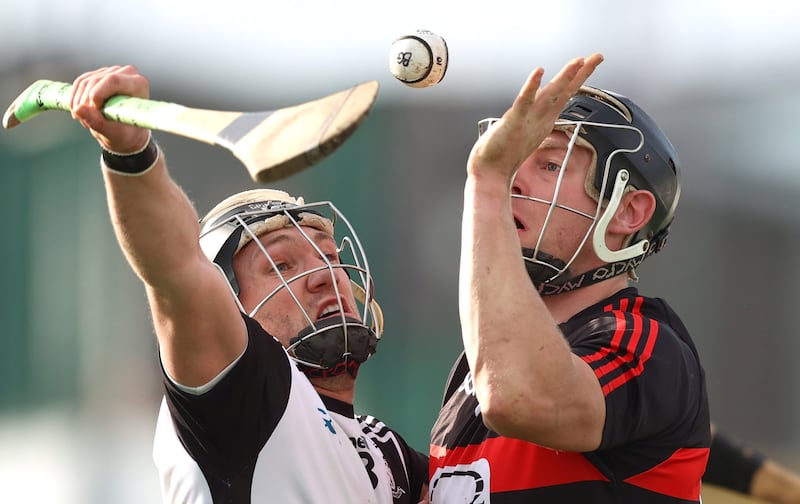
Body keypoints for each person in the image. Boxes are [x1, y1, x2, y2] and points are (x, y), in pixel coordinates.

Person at [66, 65, 428, 503]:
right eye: (281, 266)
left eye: (330, 256)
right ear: (228, 307)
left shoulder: (388, 453)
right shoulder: (239, 404)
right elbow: (175, 270)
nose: (323, 276)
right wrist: (130, 154)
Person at [428, 54, 712, 502]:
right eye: (510, 162)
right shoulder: (474, 370)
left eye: (549, 166)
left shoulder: (644, 340)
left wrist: (485, 183)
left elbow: (518, 398)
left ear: (627, 210)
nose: (512, 182)